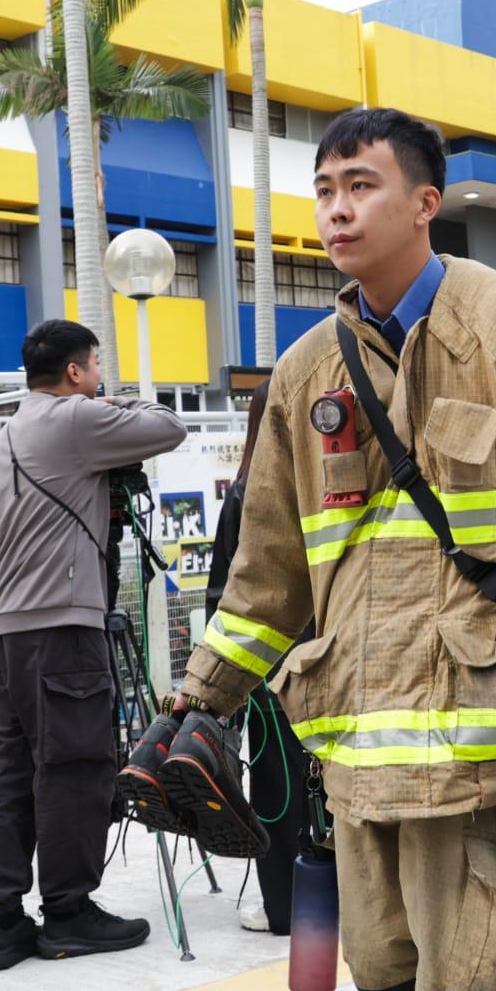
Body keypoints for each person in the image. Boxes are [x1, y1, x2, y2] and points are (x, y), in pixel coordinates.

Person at [173, 108, 496, 991]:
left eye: (361, 186)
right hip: (358, 757)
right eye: (324, 191)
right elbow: (267, 575)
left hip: (490, 752)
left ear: (425, 202)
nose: (336, 211)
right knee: (382, 979)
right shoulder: (301, 374)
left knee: (492, 984)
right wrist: (200, 697)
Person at [0, 319, 187, 969]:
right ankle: (67, 912)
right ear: (74, 373)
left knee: (10, 772)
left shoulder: (9, 433)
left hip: (5, 626)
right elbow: (168, 426)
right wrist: (109, 403)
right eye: (95, 367)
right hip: (59, 624)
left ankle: (2, 922)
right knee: (74, 766)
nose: (99, 379)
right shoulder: (72, 420)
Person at [204, 376, 310, 936]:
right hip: (332, 657)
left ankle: (283, 908)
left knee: (277, 786)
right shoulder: (331, 483)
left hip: (267, 664)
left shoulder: (244, 494)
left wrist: (217, 681)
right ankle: (333, 896)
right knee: (324, 785)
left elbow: (223, 593)